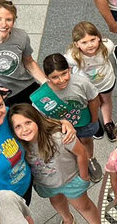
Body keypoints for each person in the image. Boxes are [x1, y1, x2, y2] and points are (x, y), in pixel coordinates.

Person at [9, 104, 113, 224]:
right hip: (46, 184)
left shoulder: (59, 136)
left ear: (37, 120)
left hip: (71, 180)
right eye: (18, 126)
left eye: (28, 122)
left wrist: (84, 176)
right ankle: (67, 220)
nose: (24, 129)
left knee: (84, 206)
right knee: (57, 201)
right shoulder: (21, 145)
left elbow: (81, 153)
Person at [0, 83, 75, 209]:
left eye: (0, 105)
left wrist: (62, 123)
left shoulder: (7, 115)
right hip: (3, 201)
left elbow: (37, 121)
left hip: (25, 185)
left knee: (25, 214)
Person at [30, 54, 103, 183]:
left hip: (84, 121)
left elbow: (93, 100)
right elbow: (41, 118)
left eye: (64, 74)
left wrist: (94, 120)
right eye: (55, 77)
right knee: (70, 148)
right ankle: (79, 162)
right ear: (47, 77)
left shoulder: (81, 82)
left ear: (69, 69)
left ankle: (90, 158)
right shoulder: (41, 98)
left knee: (86, 140)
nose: (61, 80)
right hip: (60, 129)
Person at [65, 21, 117, 142]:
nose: (90, 45)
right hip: (86, 87)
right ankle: (95, 122)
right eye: (84, 42)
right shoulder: (72, 57)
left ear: (99, 38)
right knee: (90, 103)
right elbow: (67, 69)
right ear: (76, 44)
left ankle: (108, 122)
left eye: (92, 40)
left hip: (106, 82)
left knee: (106, 100)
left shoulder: (107, 47)